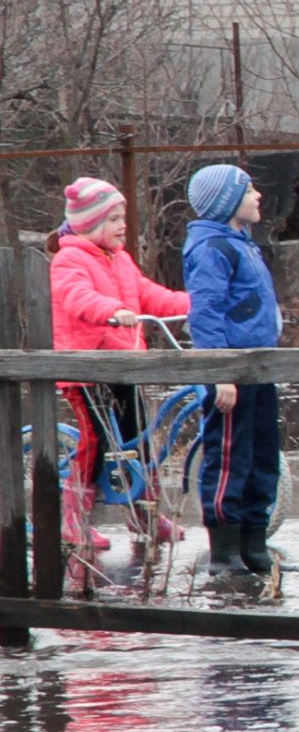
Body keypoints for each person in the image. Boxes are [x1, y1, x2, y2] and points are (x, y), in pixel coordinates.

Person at [47, 177, 192, 550]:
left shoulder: (121, 261)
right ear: (90, 224)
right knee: (95, 438)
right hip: (87, 367)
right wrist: (113, 311)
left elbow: (148, 294)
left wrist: (190, 304)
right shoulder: (70, 259)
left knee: (140, 436)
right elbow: (76, 297)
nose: (122, 225)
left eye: (122, 217)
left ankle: (143, 512)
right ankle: (73, 518)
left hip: (124, 365)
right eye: (113, 219)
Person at [183, 164, 283, 577]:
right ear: (226, 203)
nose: (257, 196)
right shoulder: (211, 248)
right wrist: (219, 372)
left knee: (263, 454)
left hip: (259, 367)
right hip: (232, 372)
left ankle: (254, 544)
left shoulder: (243, 243)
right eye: (248, 191)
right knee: (229, 456)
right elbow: (206, 314)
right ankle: (224, 550)